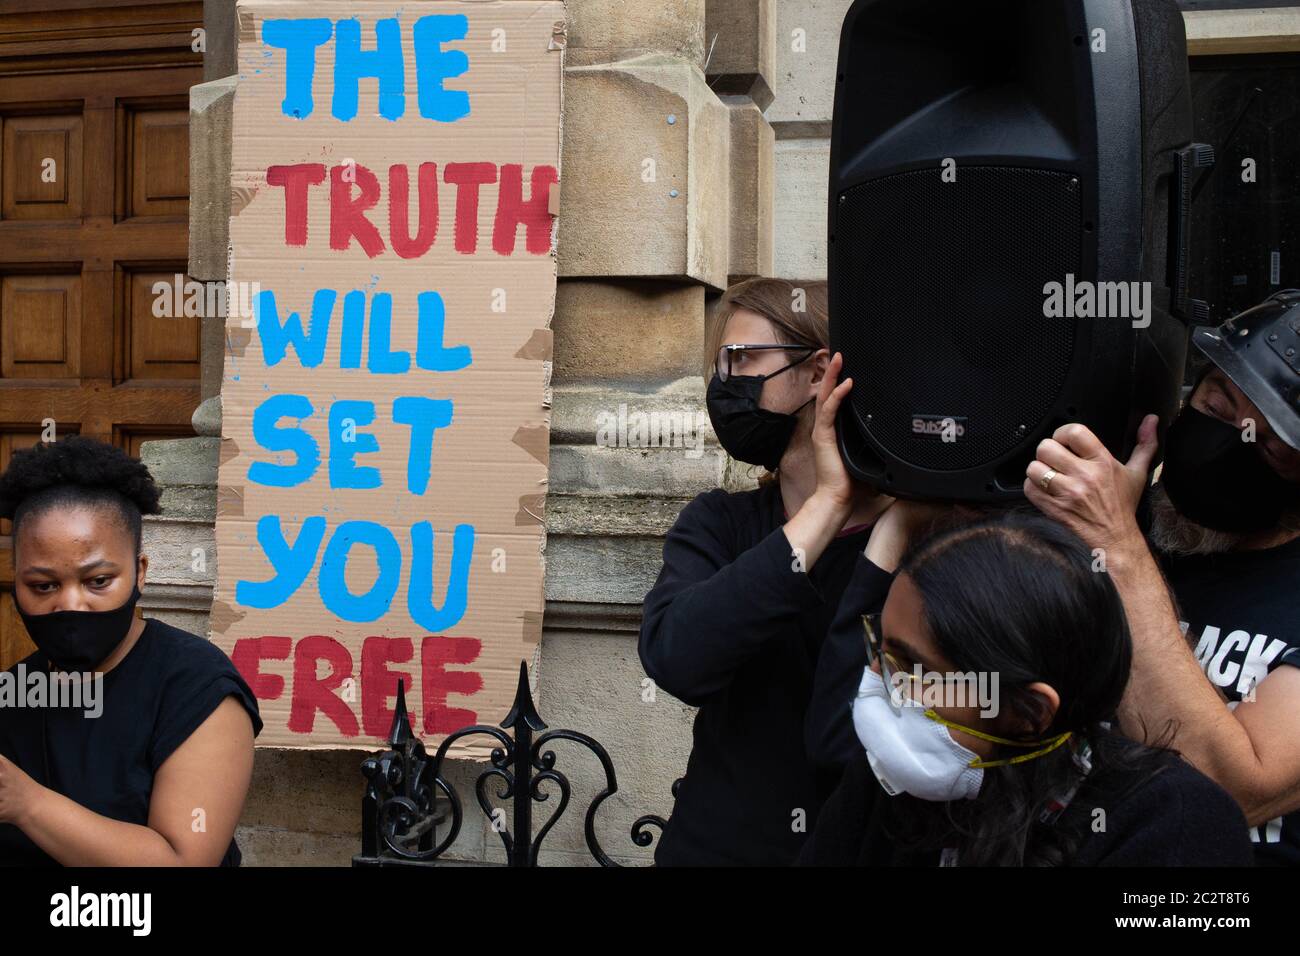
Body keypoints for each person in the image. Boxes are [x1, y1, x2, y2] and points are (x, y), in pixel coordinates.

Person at [799, 510, 1254, 866]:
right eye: (882, 650)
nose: (882, 682)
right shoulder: (896, 781)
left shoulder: (1174, 825)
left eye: (914, 668)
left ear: (1030, 711)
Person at [1026, 290, 1300, 865]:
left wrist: (1117, 544)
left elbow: (1232, 790)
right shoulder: (1110, 525)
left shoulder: (1114, 537)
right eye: (1217, 410)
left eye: (1269, 445)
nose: (1230, 444)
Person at [639, 277, 891, 865]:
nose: (724, 383)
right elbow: (678, 657)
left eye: (743, 359)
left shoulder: (917, 537)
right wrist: (826, 505)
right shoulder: (719, 523)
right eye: (722, 364)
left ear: (816, 373)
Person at [0, 436, 262, 866]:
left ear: (139, 572)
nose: (70, 604)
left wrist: (25, 803)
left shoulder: (197, 688)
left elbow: (186, 861)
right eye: (43, 586)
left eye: (98, 581)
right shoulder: (14, 693)